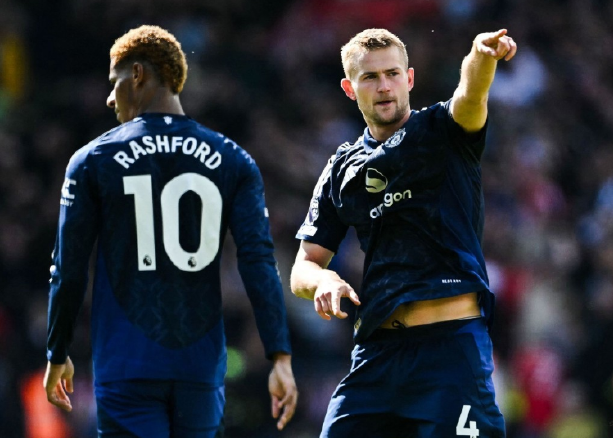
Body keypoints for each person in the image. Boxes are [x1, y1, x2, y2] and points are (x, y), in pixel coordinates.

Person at [43, 25, 297, 437]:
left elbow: (68, 269)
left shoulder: (93, 160)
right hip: (200, 366)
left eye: (114, 81)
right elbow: (259, 263)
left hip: (127, 364)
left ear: (137, 74)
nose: (110, 97)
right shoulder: (233, 159)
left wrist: (57, 350)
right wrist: (279, 355)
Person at [291, 28, 517, 437]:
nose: (384, 86)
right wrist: (323, 280)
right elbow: (303, 266)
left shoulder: (443, 130)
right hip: (377, 356)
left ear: (409, 79)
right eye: (370, 77)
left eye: (392, 73)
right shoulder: (341, 169)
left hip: (449, 350)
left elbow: (471, 95)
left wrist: (481, 56)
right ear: (349, 88)